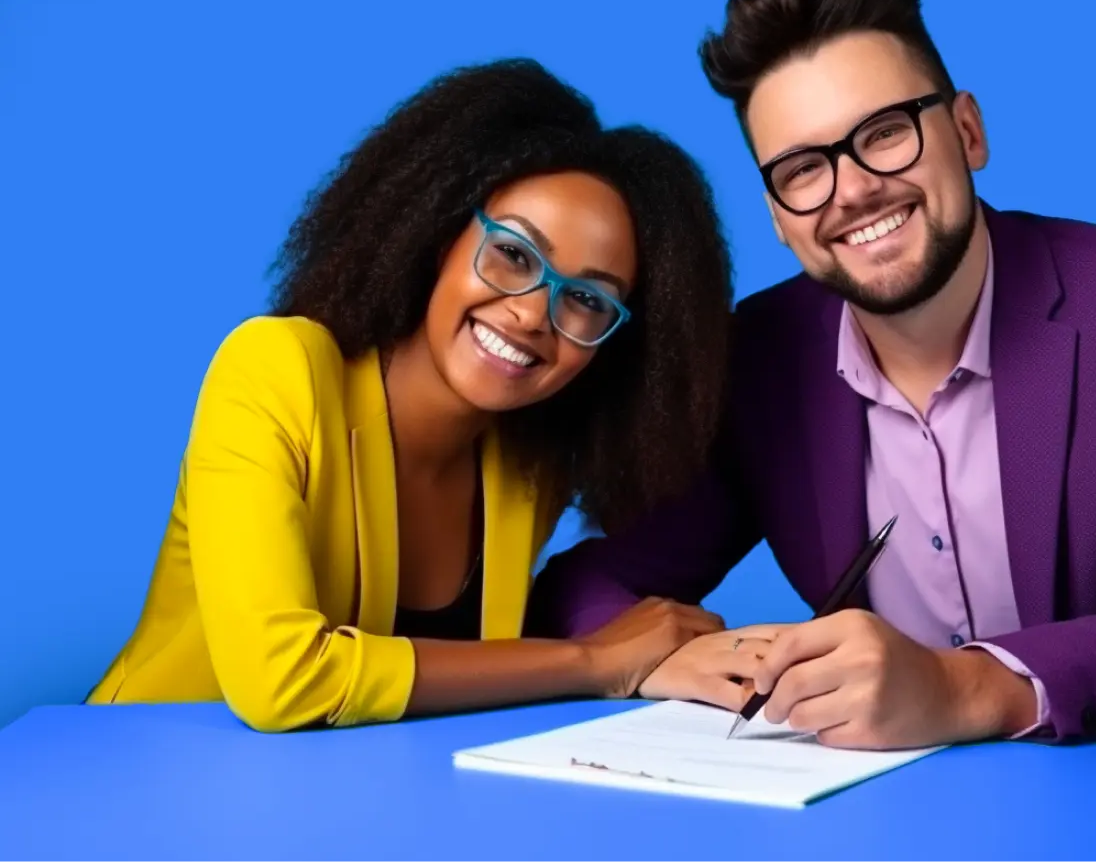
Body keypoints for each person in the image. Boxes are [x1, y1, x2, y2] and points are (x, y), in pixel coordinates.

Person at [529, 0, 1096, 748]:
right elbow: (590, 585)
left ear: (967, 132)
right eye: (802, 170)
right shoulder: (759, 359)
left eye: (884, 134)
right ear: (777, 217)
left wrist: (967, 686)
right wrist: (664, 657)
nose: (850, 190)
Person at [87, 58, 744, 732]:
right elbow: (282, 681)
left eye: (583, 299)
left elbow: (471, 683)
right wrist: (592, 661)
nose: (530, 314)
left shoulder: (527, 469)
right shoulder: (274, 369)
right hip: (138, 782)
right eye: (514, 255)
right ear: (441, 235)